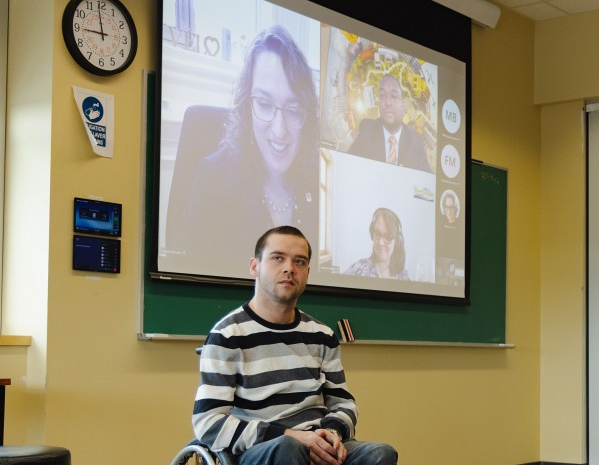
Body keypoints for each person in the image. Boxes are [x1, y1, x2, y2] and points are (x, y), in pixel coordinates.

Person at [192, 226, 399, 465]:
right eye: (278, 258)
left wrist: (332, 434)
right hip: (259, 458)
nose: (290, 269)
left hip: (314, 446)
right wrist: (294, 437)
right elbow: (208, 423)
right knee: (288, 449)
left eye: (299, 261)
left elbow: (342, 401)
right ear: (255, 266)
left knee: (379, 455)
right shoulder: (228, 335)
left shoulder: (320, 334)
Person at [176, 26, 320, 264]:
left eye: (293, 110)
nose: (279, 130)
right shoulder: (213, 178)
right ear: (247, 107)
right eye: (264, 104)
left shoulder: (317, 178)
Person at [347, 73, 432, 172]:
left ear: (403, 107)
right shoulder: (367, 130)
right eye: (382, 95)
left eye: (394, 96)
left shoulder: (416, 141)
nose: (387, 102)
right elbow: (348, 169)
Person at [344, 207, 412, 280]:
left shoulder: (404, 276)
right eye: (377, 234)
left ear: (397, 241)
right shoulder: (358, 269)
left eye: (388, 236)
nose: (380, 243)